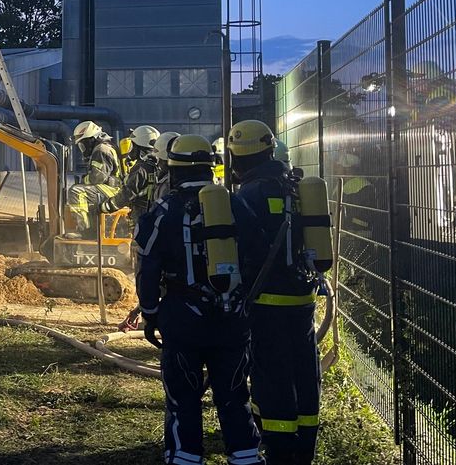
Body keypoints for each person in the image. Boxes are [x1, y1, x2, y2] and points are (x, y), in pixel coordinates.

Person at [135, 135, 263, 465]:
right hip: (232, 319)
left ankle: (185, 456)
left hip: (182, 320)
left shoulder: (164, 211)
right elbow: (257, 253)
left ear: (173, 170)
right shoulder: (235, 205)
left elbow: (147, 266)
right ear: (210, 167)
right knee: (235, 395)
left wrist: (150, 313)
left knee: (183, 398)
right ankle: (246, 456)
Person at [228, 119, 321, 465]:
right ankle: (305, 447)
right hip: (303, 299)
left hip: (265, 301)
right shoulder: (296, 187)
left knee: (271, 376)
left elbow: (241, 250)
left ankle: (280, 450)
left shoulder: (247, 195)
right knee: (304, 371)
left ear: (238, 157)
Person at [65, 120, 121, 238]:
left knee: (76, 192)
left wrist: (83, 180)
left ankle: (85, 231)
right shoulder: (105, 146)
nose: (83, 148)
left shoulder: (101, 149)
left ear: (90, 139)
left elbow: (97, 178)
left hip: (111, 189)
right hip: (111, 187)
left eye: (83, 144)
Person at [102, 125, 160, 218]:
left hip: (140, 215)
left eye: (132, 146)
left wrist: (106, 206)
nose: (131, 150)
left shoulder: (141, 168)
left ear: (139, 147)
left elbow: (127, 193)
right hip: (153, 214)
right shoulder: (157, 165)